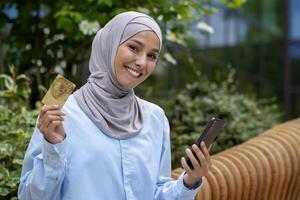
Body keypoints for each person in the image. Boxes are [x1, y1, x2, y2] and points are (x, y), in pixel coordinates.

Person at [18, 11, 212, 200]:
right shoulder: (60, 111)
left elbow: (156, 192)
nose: (142, 62)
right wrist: (53, 147)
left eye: (152, 56)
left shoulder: (155, 118)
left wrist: (189, 181)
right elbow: (29, 196)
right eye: (134, 48)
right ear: (109, 44)